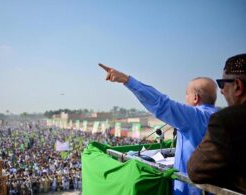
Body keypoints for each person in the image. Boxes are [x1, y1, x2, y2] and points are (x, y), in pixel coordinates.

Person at [99, 63, 218, 195]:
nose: (185, 99)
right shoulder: (223, 116)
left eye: (186, 95)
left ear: (195, 98)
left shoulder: (195, 117)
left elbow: (161, 104)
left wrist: (127, 80)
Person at [187, 54, 246, 193]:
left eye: (222, 83)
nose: (221, 90)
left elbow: (195, 170)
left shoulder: (226, 120)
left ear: (238, 86)